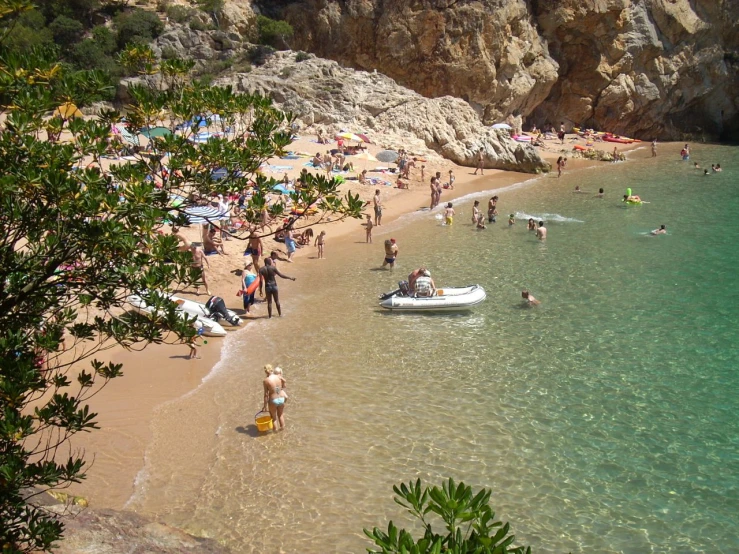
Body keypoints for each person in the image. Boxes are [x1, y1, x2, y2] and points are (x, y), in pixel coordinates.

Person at [263, 364, 287, 431]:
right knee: (281, 415)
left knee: (274, 418)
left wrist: (265, 406)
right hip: (281, 398)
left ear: (265, 371)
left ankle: (275, 433)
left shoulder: (266, 381)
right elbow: (284, 383)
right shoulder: (278, 376)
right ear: (272, 369)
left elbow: (266, 395)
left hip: (273, 400)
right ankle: (282, 431)